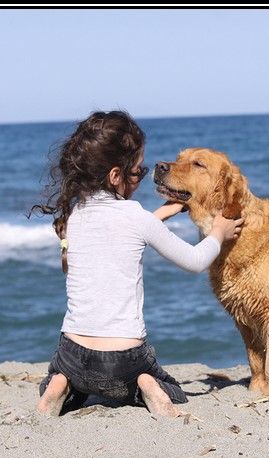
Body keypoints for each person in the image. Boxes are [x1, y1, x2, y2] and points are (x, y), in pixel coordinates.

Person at [29, 110, 243, 417]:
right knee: (169, 388)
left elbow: (115, 238)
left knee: (60, 377)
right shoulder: (137, 217)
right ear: (116, 176)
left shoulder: (76, 216)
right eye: (138, 173)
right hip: (125, 359)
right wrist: (219, 234)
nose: (142, 178)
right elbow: (196, 261)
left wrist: (162, 214)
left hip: (73, 355)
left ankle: (60, 384)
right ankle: (146, 383)